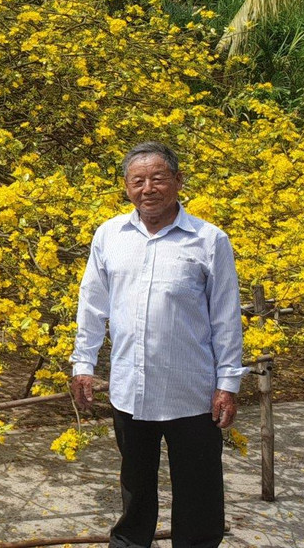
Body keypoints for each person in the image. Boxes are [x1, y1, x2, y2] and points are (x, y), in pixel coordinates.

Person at [69, 142, 245, 548]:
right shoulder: (110, 235)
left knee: (198, 489)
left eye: (159, 178)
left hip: (193, 392)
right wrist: (84, 364)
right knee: (135, 484)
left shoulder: (208, 240)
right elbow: (92, 305)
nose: (148, 188)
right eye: (138, 181)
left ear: (178, 182)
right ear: (127, 188)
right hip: (132, 390)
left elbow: (225, 318)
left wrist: (228, 384)